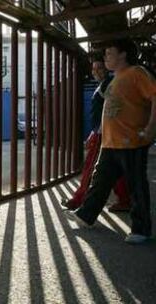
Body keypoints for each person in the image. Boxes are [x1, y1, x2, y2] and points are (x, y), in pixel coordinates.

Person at [66, 39, 156, 244]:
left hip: (131, 141)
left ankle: (141, 229)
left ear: (123, 54)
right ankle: (85, 215)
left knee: (136, 185)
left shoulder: (137, 73)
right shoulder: (115, 78)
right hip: (110, 142)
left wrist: (151, 127)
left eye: (109, 52)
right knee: (100, 182)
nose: (106, 56)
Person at [61, 58, 131, 211]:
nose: (96, 72)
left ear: (107, 68)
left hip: (104, 134)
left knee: (90, 168)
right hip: (106, 133)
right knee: (115, 169)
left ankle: (78, 201)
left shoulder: (109, 84)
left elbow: (111, 110)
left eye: (99, 68)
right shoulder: (106, 84)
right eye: (93, 69)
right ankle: (125, 200)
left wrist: (97, 132)